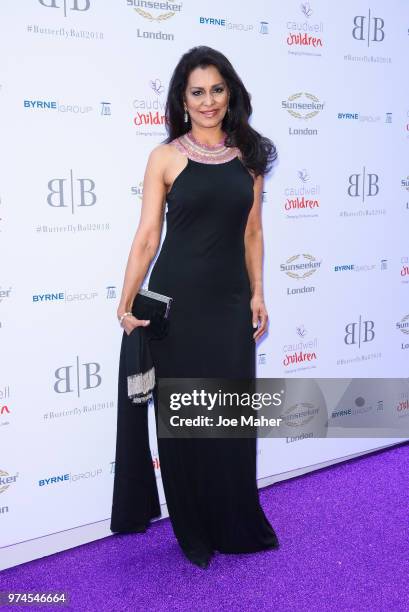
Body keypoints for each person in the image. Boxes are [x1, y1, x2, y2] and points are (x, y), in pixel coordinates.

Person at [114, 45, 279, 568]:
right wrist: (124, 303)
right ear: (183, 101)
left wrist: (257, 292)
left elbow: (253, 231)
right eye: (197, 92)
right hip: (177, 308)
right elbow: (147, 237)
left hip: (230, 304)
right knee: (183, 418)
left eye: (217, 89)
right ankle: (193, 527)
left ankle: (234, 518)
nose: (208, 101)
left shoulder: (249, 155)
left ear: (230, 94)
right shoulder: (164, 156)